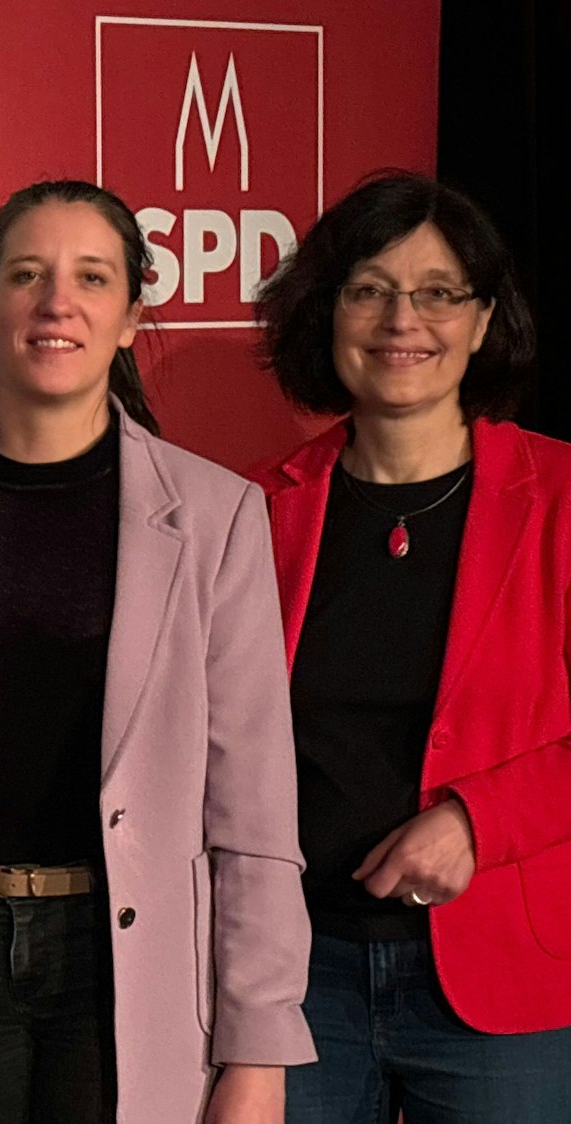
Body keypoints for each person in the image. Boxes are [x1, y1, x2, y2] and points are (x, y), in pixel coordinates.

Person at [0, 180, 314, 1124]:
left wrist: (259, 1050)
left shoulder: (216, 515)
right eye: (28, 275)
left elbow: (252, 802)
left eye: (91, 277)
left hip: (130, 970)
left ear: (133, 313)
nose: (58, 302)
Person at [251, 172, 571, 1121]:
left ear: (482, 322)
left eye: (438, 292)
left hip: (502, 989)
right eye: (370, 289)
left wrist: (480, 820)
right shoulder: (256, 509)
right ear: (329, 315)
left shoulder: (559, 498)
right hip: (296, 979)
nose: (404, 320)